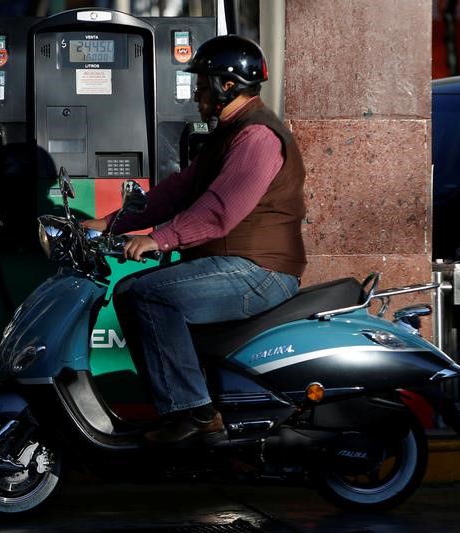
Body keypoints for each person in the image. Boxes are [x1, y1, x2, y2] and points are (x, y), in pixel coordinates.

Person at [82, 35, 307, 446]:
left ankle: (195, 414)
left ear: (228, 84)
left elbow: (221, 209)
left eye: (203, 83)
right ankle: (185, 409)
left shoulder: (256, 136)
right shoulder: (230, 131)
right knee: (134, 291)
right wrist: (109, 222)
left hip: (259, 269)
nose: (196, 93)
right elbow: (178, 190)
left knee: (148, 295)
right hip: (235, 263)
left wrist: (159, 239)